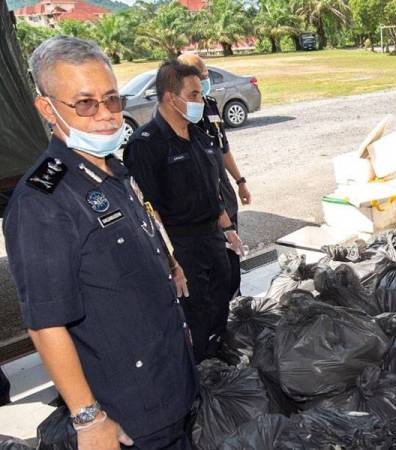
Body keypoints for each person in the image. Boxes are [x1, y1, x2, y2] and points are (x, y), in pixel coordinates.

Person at [3, 36, 197, 450]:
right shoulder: (43, 202)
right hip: (128, 411)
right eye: (86, 103)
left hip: (171, 381)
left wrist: (170, 264)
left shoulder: (112, 169)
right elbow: (45, 323)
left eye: (112, 99)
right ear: (47, 108)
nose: (107, 115)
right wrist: (89, 419)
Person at [124, 60, 245, 364]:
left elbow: (212, 192)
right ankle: (198, 367)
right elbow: (147, 213)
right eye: (192, 95)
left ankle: (216, 351)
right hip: (181, 244)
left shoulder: (200, 137)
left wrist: (228, 229)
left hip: (212, 237)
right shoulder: (145, 145)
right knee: (194, 312)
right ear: (169, 97)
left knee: (221, 297)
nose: (200, 101)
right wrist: (171, 261)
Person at [177, 53, 251, 299]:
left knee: (234, 262)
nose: (207, 80)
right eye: (203, 76)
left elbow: (223, 148)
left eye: (207, 75)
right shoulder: (180, 118)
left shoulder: (209, 106)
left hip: (226, 198)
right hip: (206, 209)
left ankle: (238, 308)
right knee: (216, 270)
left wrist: (240, 181)